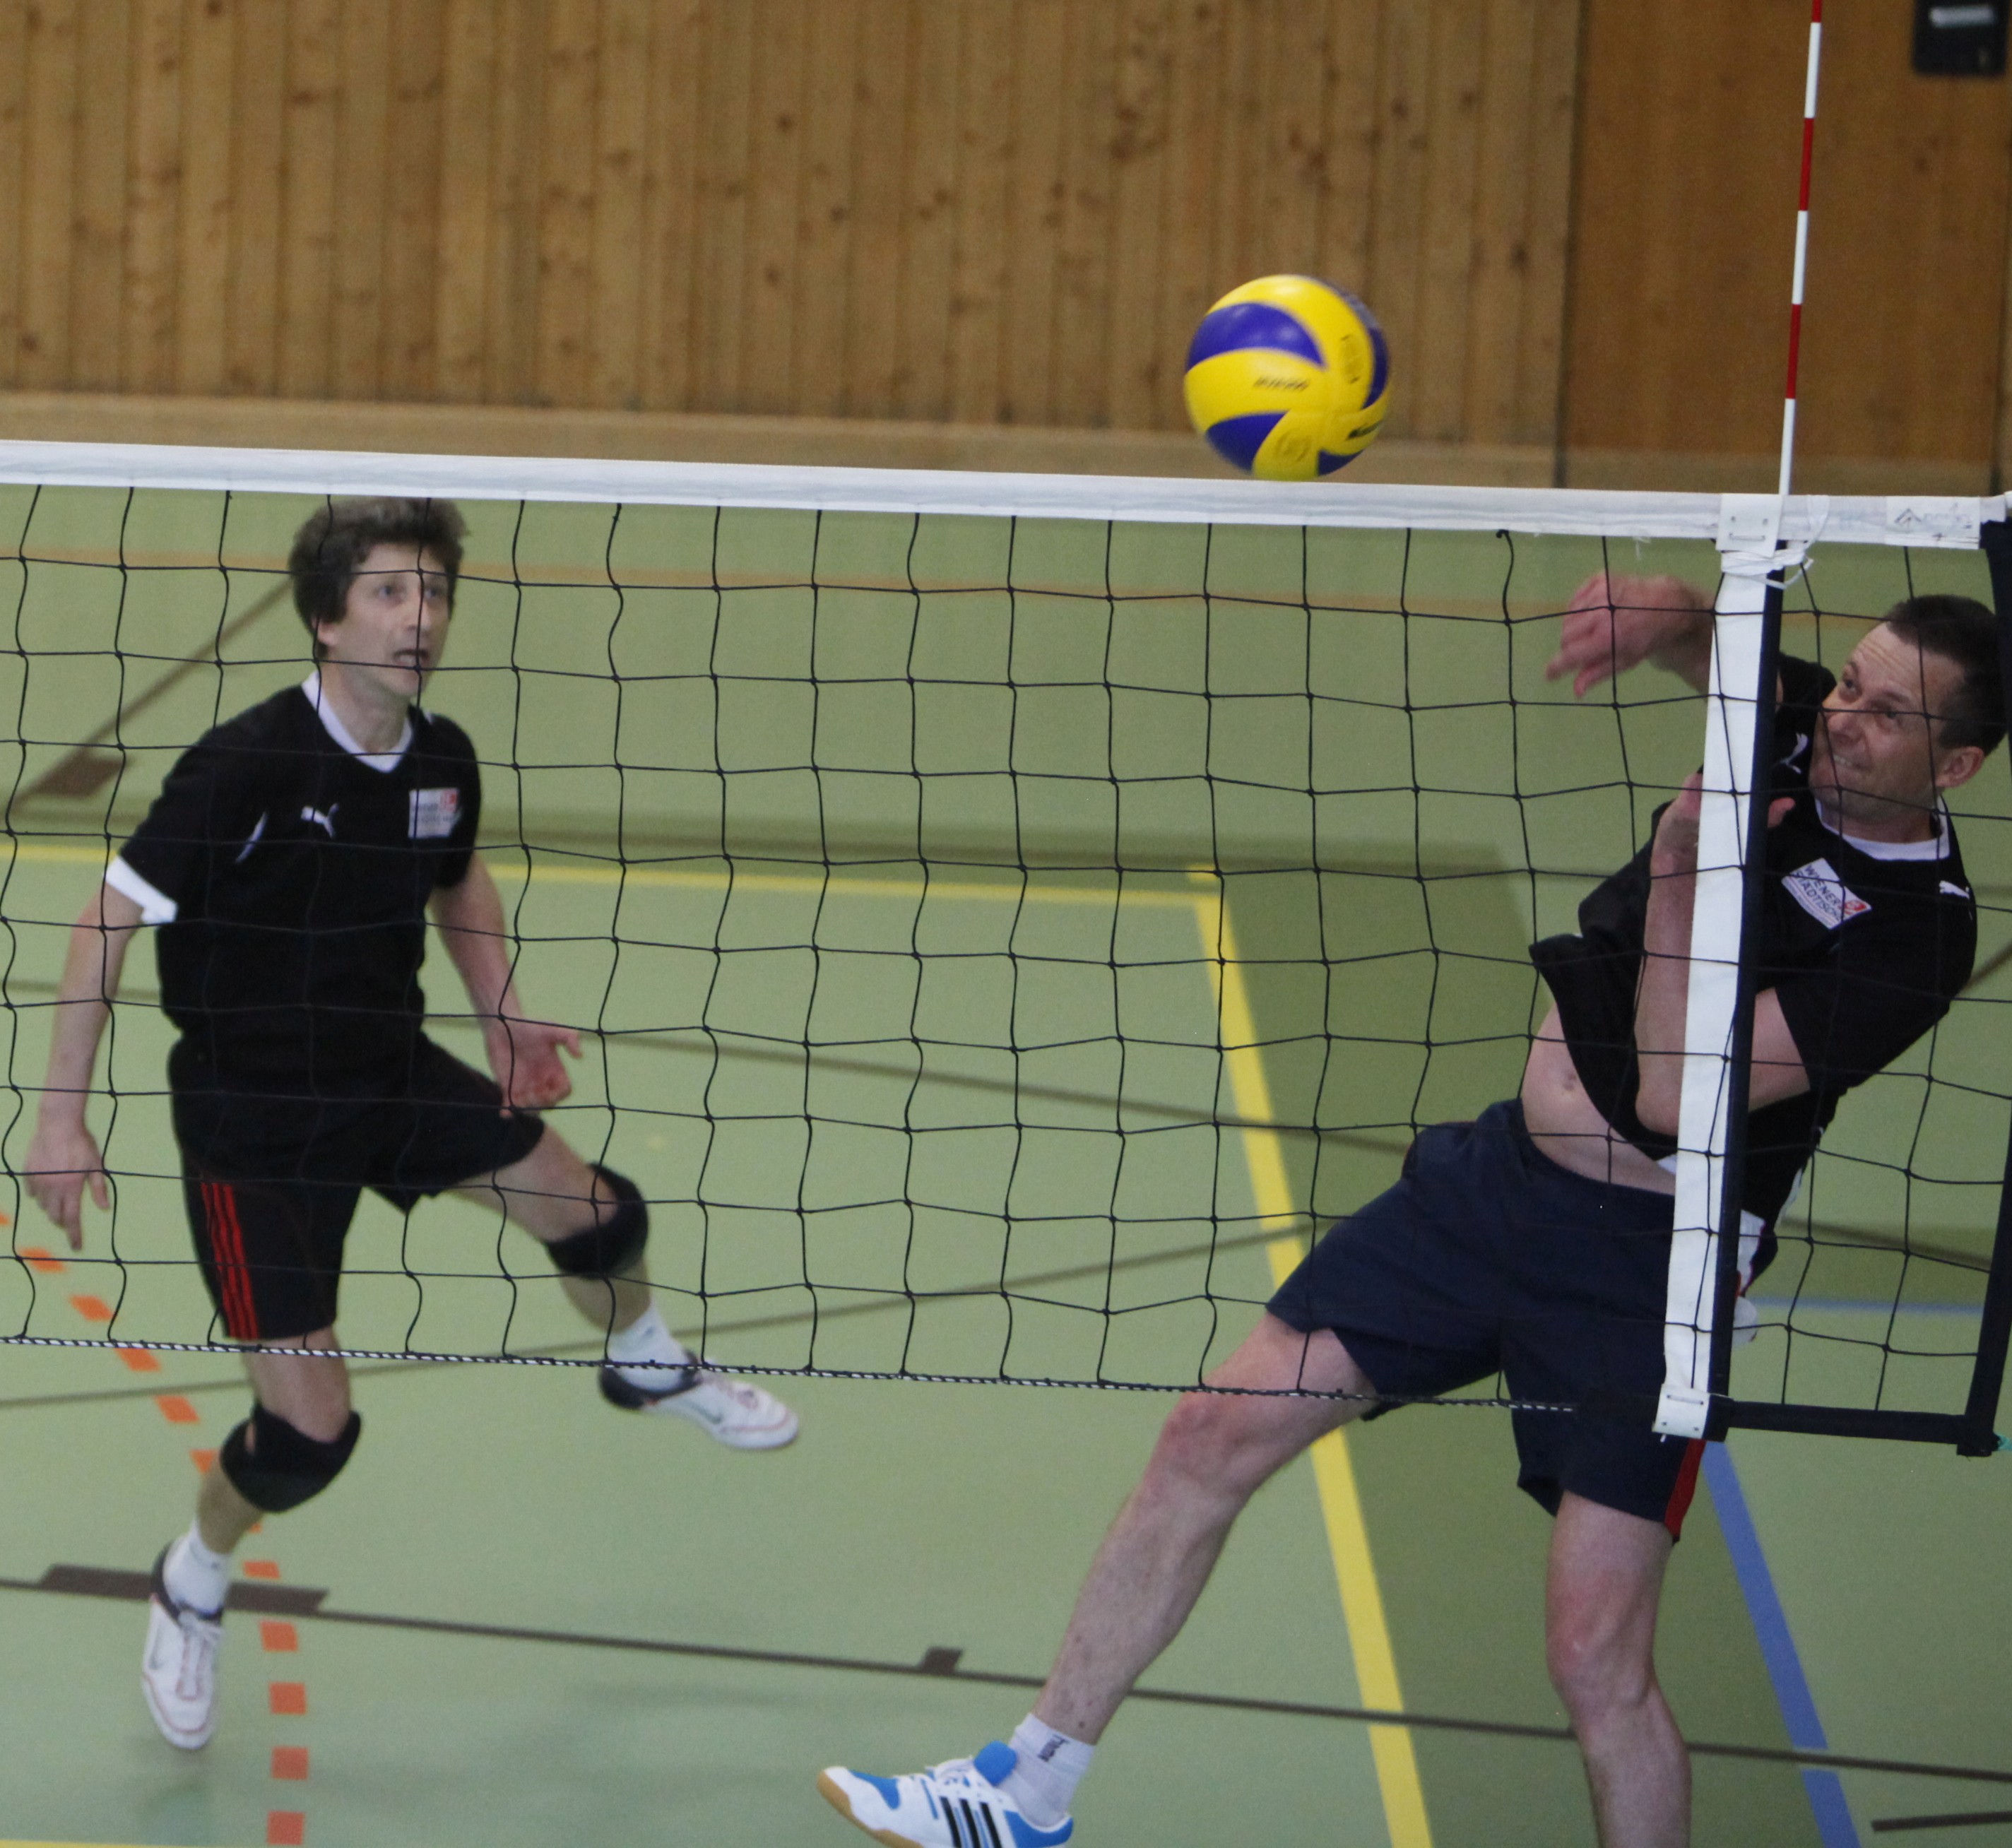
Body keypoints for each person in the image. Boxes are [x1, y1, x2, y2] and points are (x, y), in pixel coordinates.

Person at [816, 574, 2004, 1848]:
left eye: (1887, 714)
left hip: (1651, 1269)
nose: (1841, 720)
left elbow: (1669, 1093)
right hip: (1494, 1189)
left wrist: (1679, 866)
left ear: (1958, 765)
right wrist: (1663, 611)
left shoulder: (1916, 939)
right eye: (1847, 683)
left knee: (1594, 1659)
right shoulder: (1798, 725)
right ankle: (1027, 1789)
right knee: (1210, 1432)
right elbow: (1721, 647)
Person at [24, 497, 798, 1753]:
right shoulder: (244, 768)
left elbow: (458, 873)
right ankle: (195, 1573)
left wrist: (503, 1014)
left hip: (386, 1071)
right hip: (254, 1125)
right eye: (389, 592)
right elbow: (105, 921)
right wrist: (59, 1119)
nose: (419, 616)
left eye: (434, 592)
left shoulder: (441, 762)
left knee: (602, 1219)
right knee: (305, 1439)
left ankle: (643, 1358)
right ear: (327, 620)